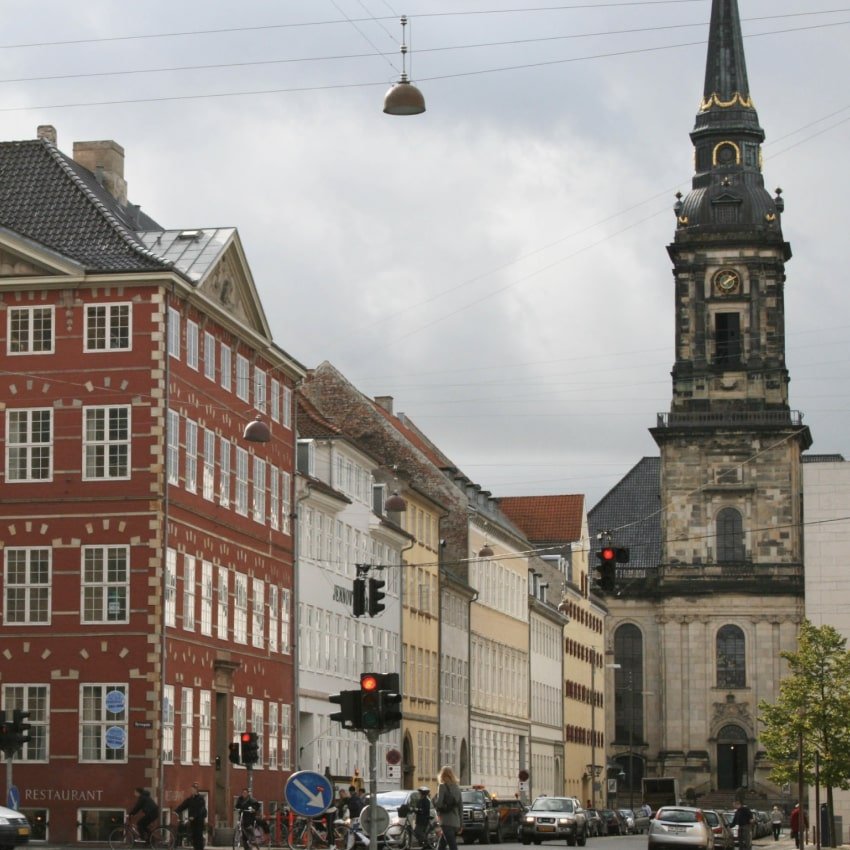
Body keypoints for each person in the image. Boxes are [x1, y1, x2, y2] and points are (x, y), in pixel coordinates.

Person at [434, 765, 462, 850]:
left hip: (446, 821)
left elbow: (439, 804)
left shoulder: (442, 786)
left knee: (452, 845)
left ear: (442, 775)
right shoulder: (457, 787)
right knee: (442, 844)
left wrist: (434, 801)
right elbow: (461, 806)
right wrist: (461, 823)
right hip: (456, 821)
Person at [176, 782, 207, 850]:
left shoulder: (200, 799)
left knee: (198, 837)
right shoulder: (190, 799)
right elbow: (183, 805)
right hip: (192, 821)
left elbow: (201, 810)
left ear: (196, 790)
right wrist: (176, 810)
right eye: (192, 789)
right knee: (193, 837)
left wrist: (194, 816)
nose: (192, 790)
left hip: (199, 821)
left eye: (193, 789)